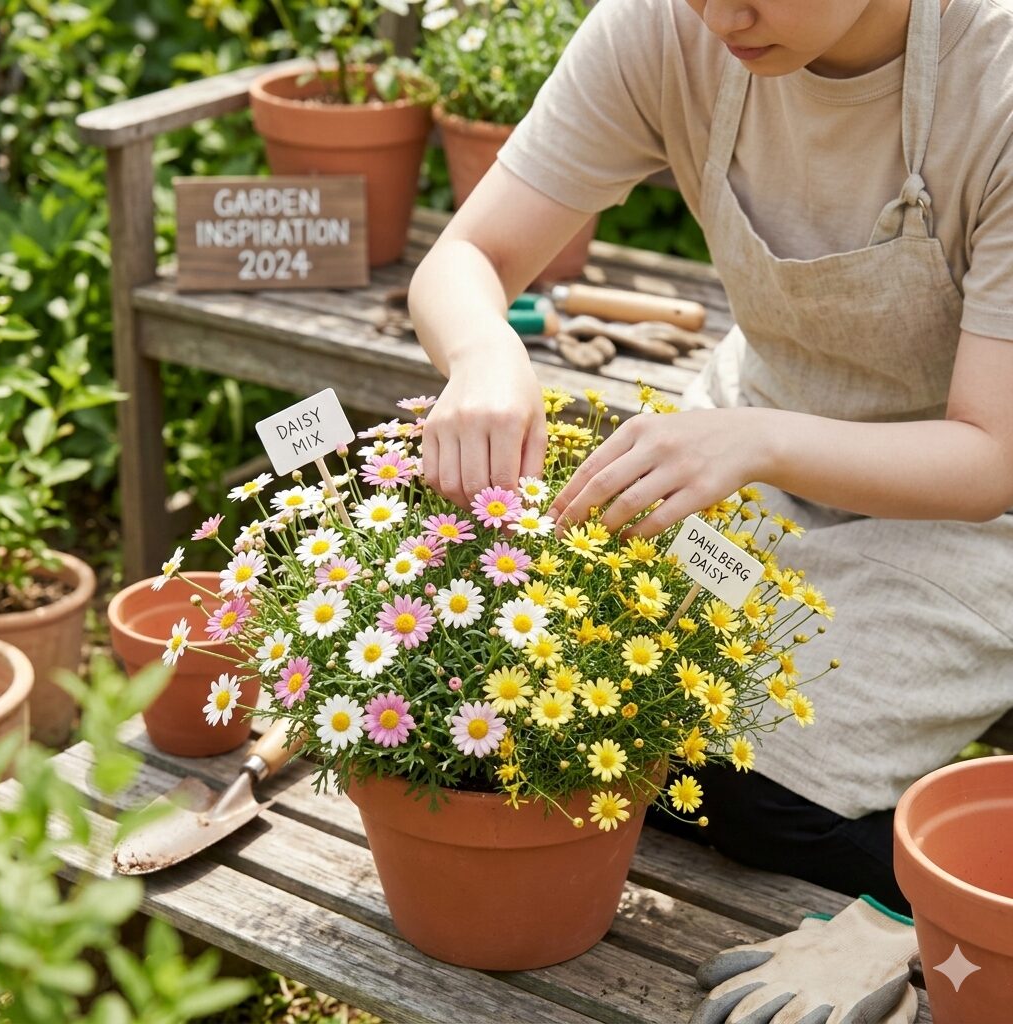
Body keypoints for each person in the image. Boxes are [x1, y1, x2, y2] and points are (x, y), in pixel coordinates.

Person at [407, 0, 1013, 913]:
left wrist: (757, 443)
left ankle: (950, 906)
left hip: (966, 506)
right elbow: (468, 257)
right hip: (751, 443)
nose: (720, 14)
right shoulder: (663, 27)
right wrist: (486, 352)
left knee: (751, 781)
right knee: (582, 693)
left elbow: (989, 456)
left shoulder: (993, 76)